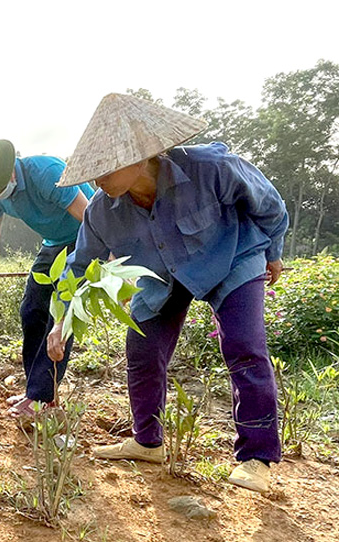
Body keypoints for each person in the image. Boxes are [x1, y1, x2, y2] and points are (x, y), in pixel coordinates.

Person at [48, 93, 288, 494]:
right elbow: (78, 266)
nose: (97, 181)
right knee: (141, 348)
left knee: (244, 347)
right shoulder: (101, 211)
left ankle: (256, 457)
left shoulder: (211, 169)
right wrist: (60, 320)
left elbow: (269, 205)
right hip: (161, 275)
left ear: (140, 158)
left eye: (105, 169)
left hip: (233, 257)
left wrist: (274, 253)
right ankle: (147, 442)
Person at [0, 139, 94, 418]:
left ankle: (42, 398)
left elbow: (91, 219)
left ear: (9, 170)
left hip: (84, 237)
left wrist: (113, 258)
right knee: (32, 309)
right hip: (53, 243)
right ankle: (36, 392)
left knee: (59, 313)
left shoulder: (46, 173)